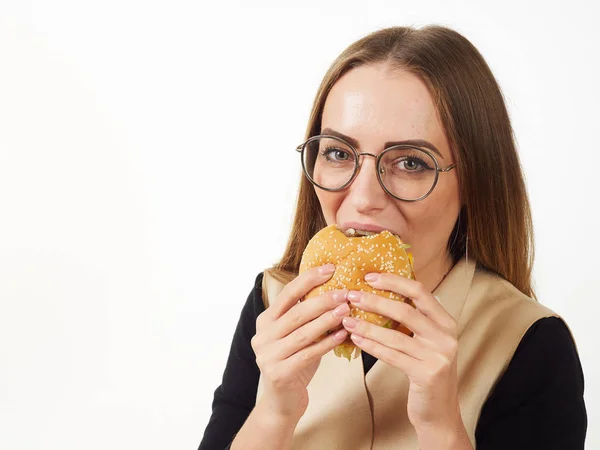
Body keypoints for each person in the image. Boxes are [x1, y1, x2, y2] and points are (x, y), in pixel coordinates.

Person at [198, 25, 587, 449]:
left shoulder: (529, 342)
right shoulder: (273, 305)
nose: (363, 198)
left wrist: (441, 427)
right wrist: (274, 411)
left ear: (475, 181)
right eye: (338, 153)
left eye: (411, 163)